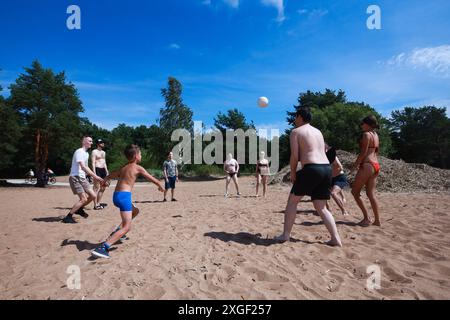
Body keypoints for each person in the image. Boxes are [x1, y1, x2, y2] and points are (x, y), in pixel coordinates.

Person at [275, 107, 342, 247]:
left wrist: (293, 172)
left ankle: (285, 235)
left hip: (312, 169)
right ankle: (336, 239)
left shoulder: (296, 132)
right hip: (326, 169)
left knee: (292, 202)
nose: (294, 120)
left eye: (295, 117)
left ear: (300, 117)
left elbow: (295, 155)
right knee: (321, 208)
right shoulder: (318, 132)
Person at [91, 144, 164, 259]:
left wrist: (105, 179)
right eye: (140, 154)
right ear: (135, 156)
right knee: (127, 227)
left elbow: (112, 174)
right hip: (124, 197)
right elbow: (150, 177)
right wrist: (160, 185)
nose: (141, 156)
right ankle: (103, 247)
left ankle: (117, 232)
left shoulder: (124, 167)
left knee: (135, 211)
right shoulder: (137, 168)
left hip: (116, 196)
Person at [62, 136, 104, 224]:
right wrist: (95, 176)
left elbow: (86, 166)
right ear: (84, 142)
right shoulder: (79, 151)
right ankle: (68, 217)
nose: (91, 143)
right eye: (90, 141)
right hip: (75, 177)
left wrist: (91, 175)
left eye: (92, 141)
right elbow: (83, 166)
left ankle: (79, 209)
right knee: (83, 199)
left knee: (93, 195)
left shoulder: (86, 153)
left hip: (82, 177)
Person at [350, 115, 381, 227]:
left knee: (355, 192)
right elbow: (377, 151)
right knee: (371, 194)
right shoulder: (376, 135)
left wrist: (355, 166)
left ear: (368, 124)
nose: (361, 125)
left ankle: (367, 218)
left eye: (362, 124)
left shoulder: (366, 134)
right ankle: (377, 220)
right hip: (376, 164)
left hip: (367, 165)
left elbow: (363, 153)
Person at [325, 145, 349, 216]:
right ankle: (328, 209)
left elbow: (340, 167)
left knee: (333, 193)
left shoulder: (333, 157)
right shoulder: (324, 159)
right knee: (322, 191)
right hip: (331, 178)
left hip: (339, 178)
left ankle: (344, 210)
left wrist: (333, 171)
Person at [91, 139, 109, 210]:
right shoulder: (94, 151)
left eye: (103, 142)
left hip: (103, 170)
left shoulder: (104, 152)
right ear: (98, 144)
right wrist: (94, 173)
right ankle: (95, 205)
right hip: (97, 169)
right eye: (101, 143)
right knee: (96, 187)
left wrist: (107, 171)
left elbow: (104, 162)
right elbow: (93, 162)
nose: (103, 144)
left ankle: (98, 203)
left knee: (103, 187)